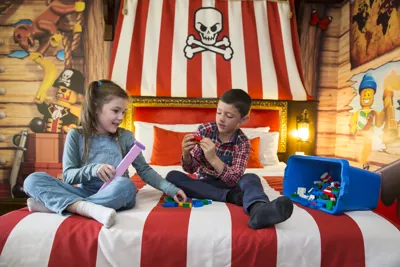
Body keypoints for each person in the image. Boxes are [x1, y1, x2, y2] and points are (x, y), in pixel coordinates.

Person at [24, 80, 187, 228]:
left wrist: (170, 189)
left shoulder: (126, 137)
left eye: (123, 112)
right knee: (33, 180)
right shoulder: (76, 135)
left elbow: (144, 170)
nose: (120, 118)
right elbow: (68, 176)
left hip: (115, 193)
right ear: (96, 109)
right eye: (116, 111)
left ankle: (65, 206)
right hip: (84, 192)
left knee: (127, 185)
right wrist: (93, 169)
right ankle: (85, 207)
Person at [166, 89, 293, 229]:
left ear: (243, 120)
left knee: (251, 178)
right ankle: (232, 197)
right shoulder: (204, 130)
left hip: (232, 185)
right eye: (219, 112)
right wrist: (186, 154)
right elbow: (191, 169)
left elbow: (234, 179)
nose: (221, 118)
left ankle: (258, 209)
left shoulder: (243, 143)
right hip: (205, 184)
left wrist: (214, 159)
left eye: (229, 115)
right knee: (172, 176)